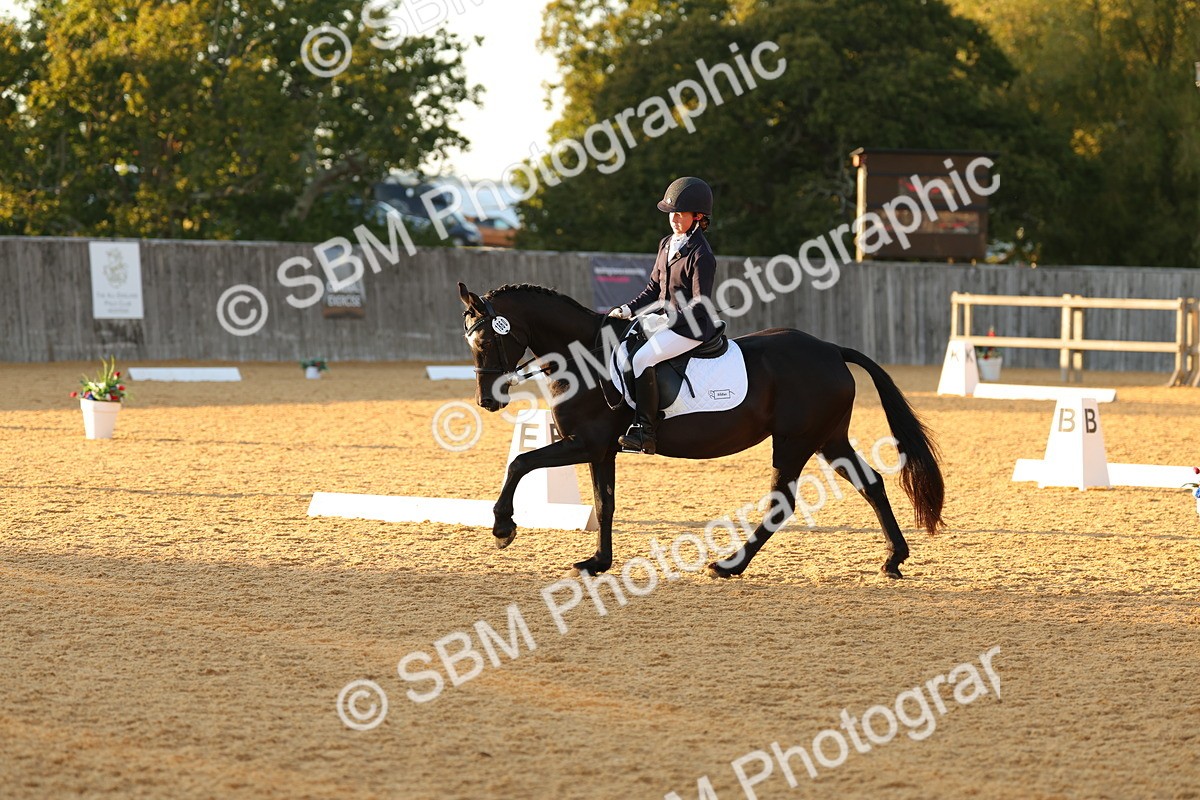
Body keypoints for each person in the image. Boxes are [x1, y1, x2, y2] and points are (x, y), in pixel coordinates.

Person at [608, 176, 720, 455]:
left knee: (643, 357)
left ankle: (645, 431)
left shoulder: (701, 254)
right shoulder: (667, 243)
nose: (674, 218)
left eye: (681, 214)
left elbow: (700, 304)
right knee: (622, 345)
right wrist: (627, 309)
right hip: (662, 319)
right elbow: (652, 289)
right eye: (672, 213)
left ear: (698, 216)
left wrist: (667, 320)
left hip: (691, 328)